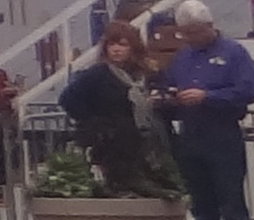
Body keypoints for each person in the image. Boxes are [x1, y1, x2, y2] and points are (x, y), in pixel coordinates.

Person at [161, 0, 254, 220]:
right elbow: (171, 88)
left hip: (223, 137)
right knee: (203, 213)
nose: (190, 38)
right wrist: (168, 99)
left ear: (209, 26)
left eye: (194, 32)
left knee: (233, 211)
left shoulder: (234, 53)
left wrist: (208, 97)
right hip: (191, 138)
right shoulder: (182, 58)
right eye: (185, 33)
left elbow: (247, 92)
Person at [58, 24, 170, 199]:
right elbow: (67, 99)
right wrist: (92, 122)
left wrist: (159, 97)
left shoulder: (145, 73)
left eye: (123, 45)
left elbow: (163, 89)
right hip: (111, 140)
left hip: (146, 136)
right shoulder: (97, 73)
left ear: (133, 47)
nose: (116, 49)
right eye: (111, 45)